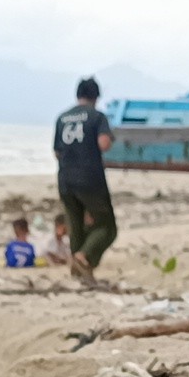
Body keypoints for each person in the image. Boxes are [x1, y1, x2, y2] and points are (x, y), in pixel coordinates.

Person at [53, 77, 115, 281]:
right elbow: (103, 143)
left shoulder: (62, 118)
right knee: (107, 226)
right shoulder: (97, 117)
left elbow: (57, 152)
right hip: (90, 178)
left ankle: (78, 272)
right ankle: (84, 257)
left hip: (65, 179)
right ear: (96, 96)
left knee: (75, 226)